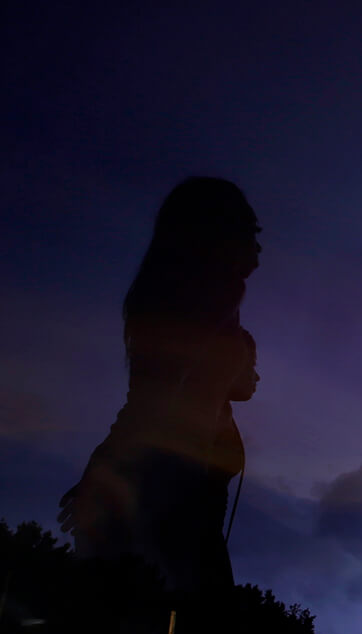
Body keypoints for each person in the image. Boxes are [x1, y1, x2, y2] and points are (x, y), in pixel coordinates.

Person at [59, 177, 263, 596]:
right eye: (250, 232)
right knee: (178, 623)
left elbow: (210, 387)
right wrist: (104, 475)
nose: (259, 248)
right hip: (168, 494)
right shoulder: (196, 309)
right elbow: (151, 404)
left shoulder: (218, 311)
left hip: (187, 496)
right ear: (218, 235)